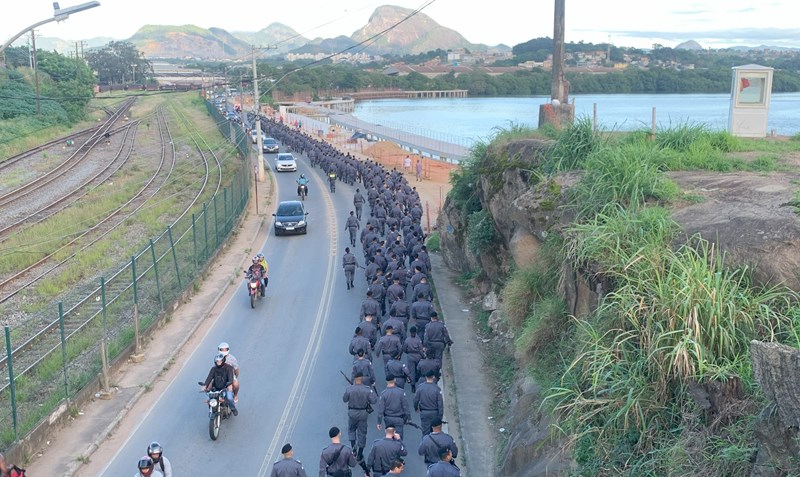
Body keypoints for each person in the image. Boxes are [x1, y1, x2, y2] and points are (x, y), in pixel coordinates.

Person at [342, 373, 378, 462]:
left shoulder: (349, 389)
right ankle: (360, 453)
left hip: (352, 413)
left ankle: (353, 449)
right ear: (362, 380)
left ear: (354, 379)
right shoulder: (367, 389)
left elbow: (344, 399)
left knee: (351, 430)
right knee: (362, 433)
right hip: (363, 413)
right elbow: (374, 400)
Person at [376, 375, 409, 440]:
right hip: (399, 418)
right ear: (395, 380)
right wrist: (408, 417)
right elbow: (405, 407)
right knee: (399, 437)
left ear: (386, 382)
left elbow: (381, 410)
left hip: (388, 418)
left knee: (390, 436)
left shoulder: (383, 394)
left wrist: (379, 422)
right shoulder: (401, 392)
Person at [414, 370, 444, 435]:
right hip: (434, 413)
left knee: (425, 432)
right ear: (433, 377)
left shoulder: (420, 387)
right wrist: (440, 416)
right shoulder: (437, 389)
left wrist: (416, 407)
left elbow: (416, 399)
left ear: (426, 377)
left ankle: (426, 443)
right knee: (436, 432)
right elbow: (440, 403)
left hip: (424, 412)